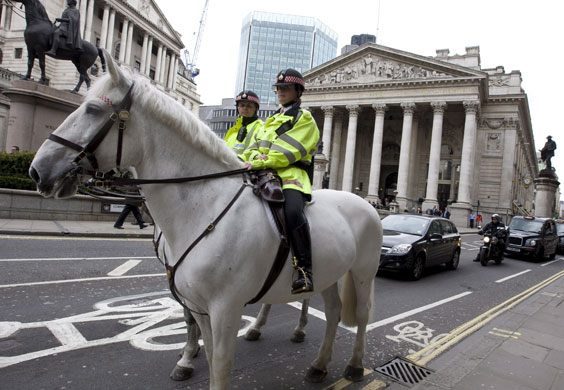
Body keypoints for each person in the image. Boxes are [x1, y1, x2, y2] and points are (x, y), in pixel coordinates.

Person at [241, 68, 320, 294]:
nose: (281, 92)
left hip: (291, 176)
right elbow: (253, 149)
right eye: (279, 88)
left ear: (298, 91)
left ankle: (305, 270)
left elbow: (290, 151)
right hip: (263, 173)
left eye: (286, 88)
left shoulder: (304, 119)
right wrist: (251, 160)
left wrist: (262, 161)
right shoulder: (270, 120)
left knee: (293, 211)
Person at [224, 90, 263, 155]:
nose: (245, 108)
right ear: (237, 108)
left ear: (256, 109)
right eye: (242, 105)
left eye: (249, 106)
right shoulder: (232, 130)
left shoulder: (261, 127)